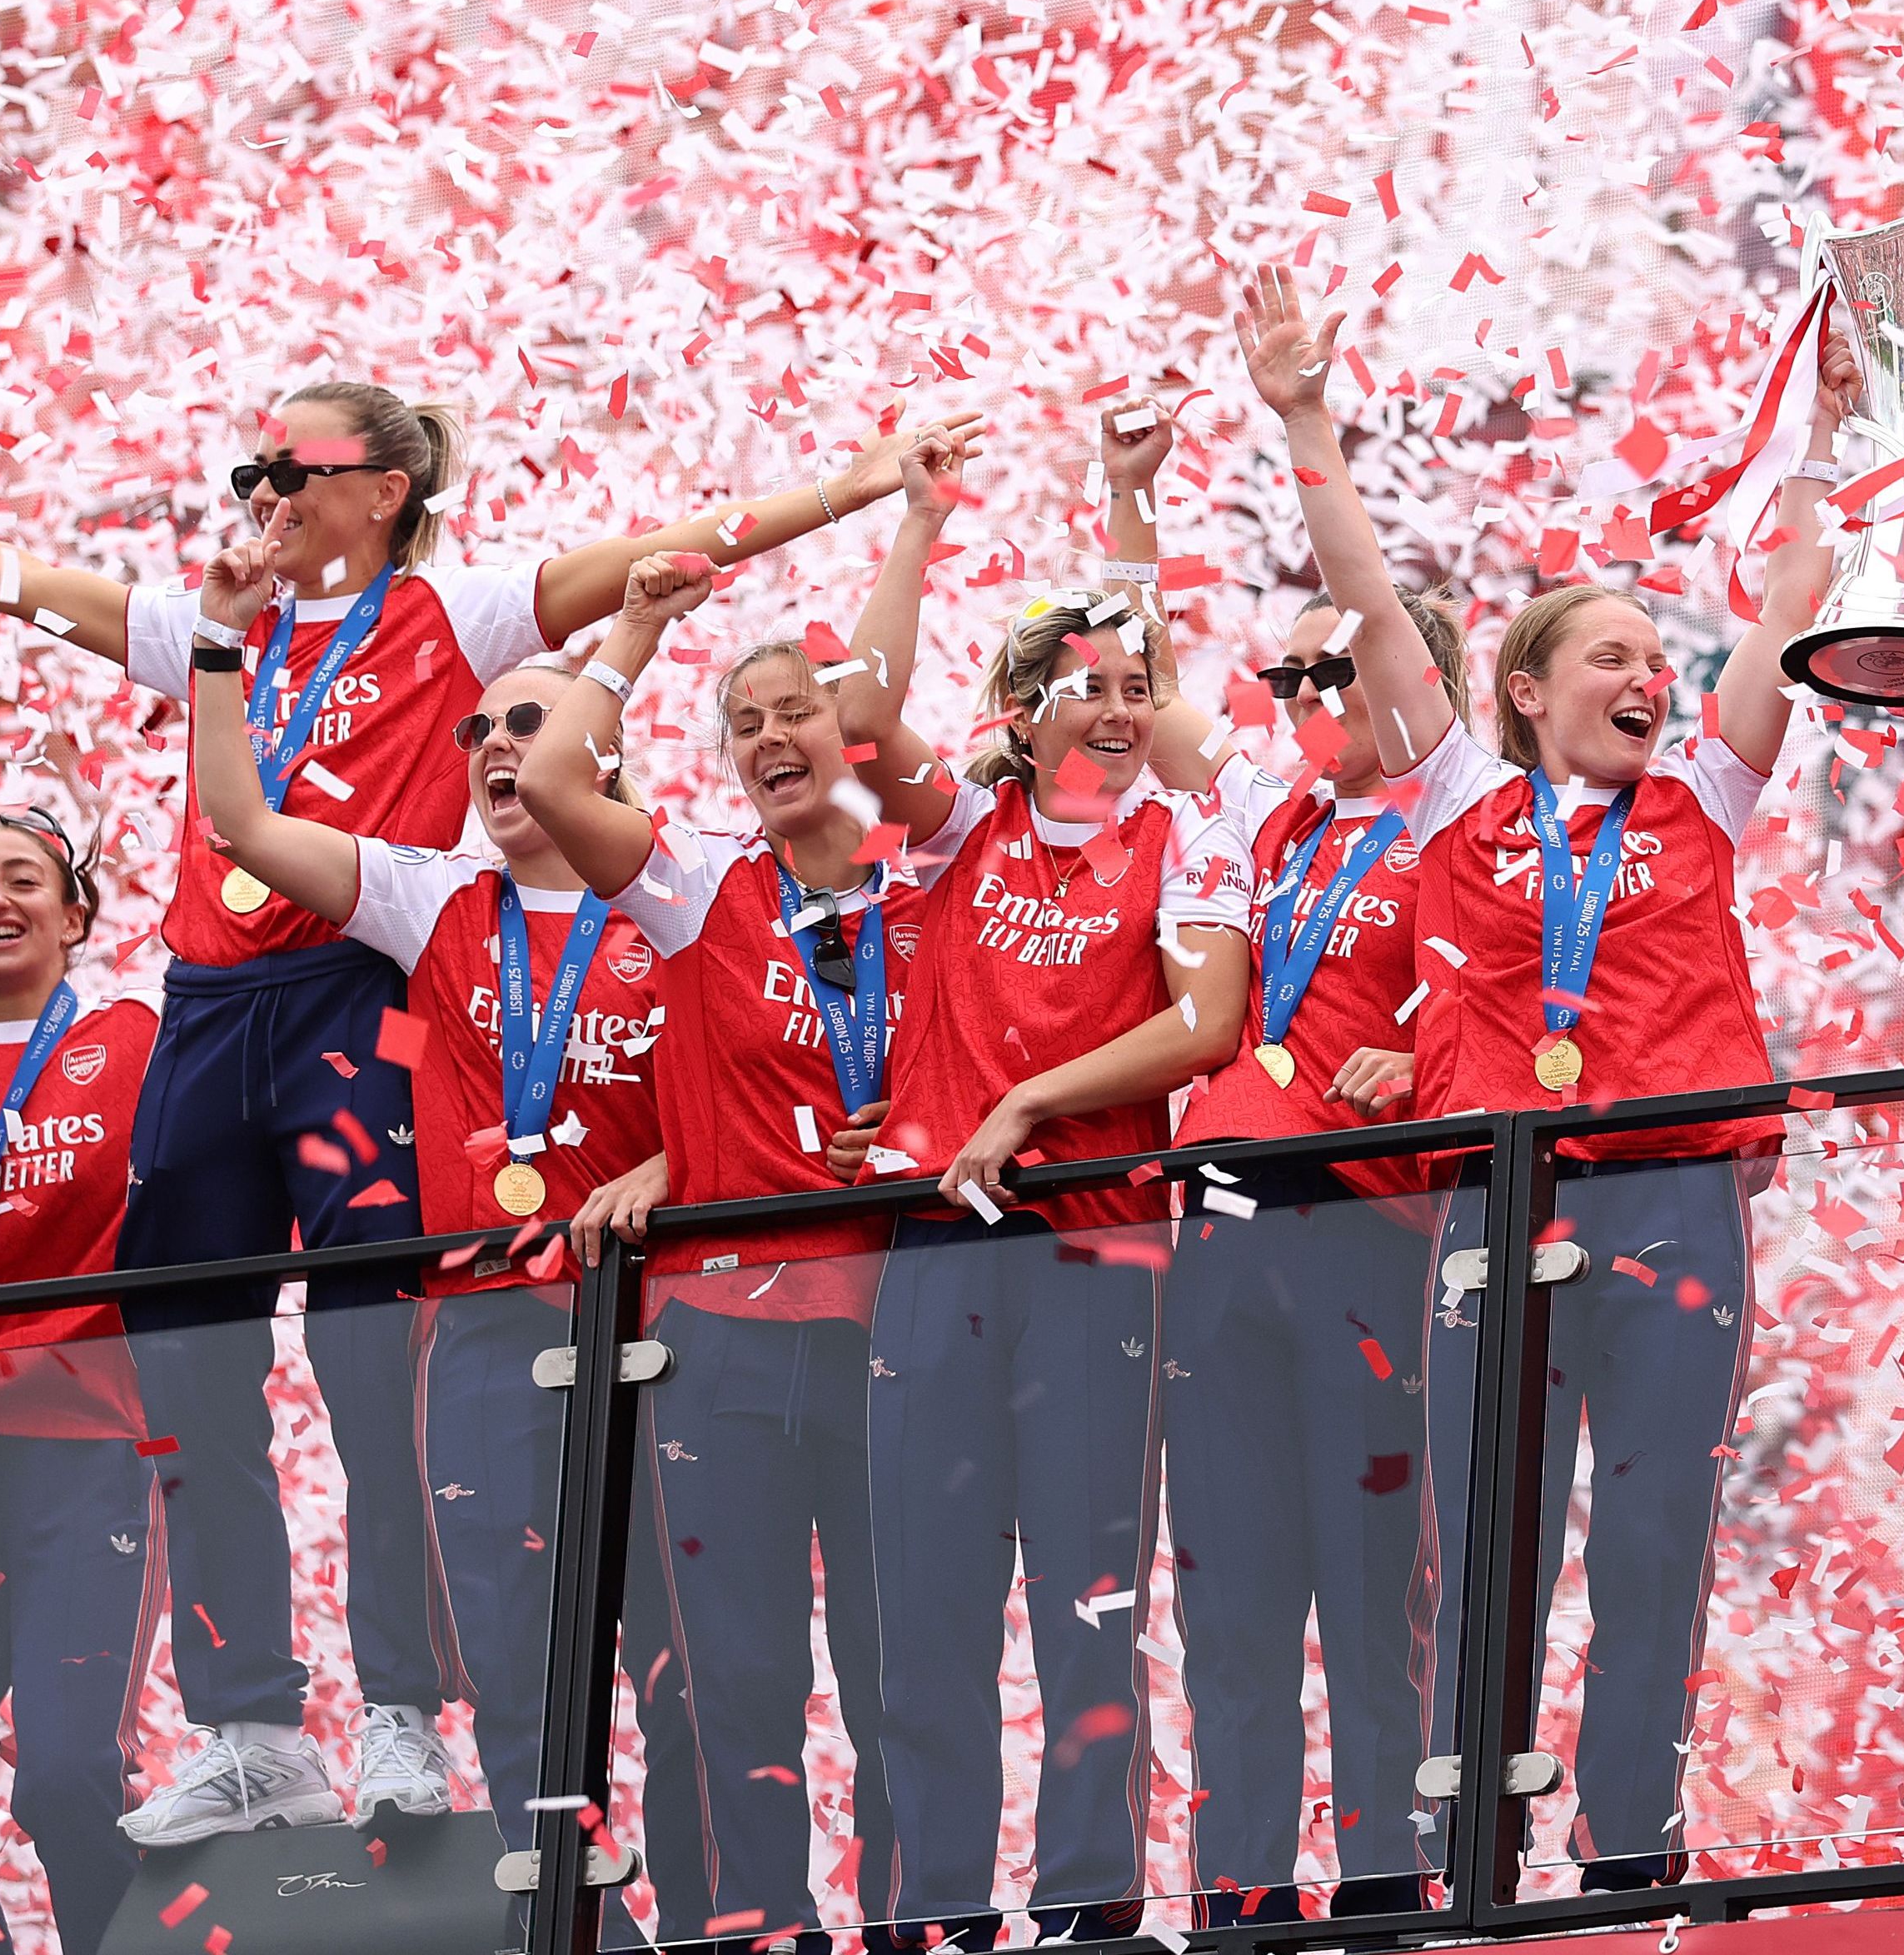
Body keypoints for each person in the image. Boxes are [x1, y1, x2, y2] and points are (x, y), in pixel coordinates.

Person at [0, 378, 964, 1846]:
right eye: (248, 465)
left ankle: (391, 1705)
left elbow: (671, 550)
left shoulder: (467, 617)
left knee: (372, 1355)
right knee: (185, 1350)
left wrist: (873, 482)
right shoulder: (212, 622)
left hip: (348, 991)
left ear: (385, 489)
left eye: (291, 468)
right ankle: (249, 1718)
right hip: (207, 1005)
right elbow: (14, 585)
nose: (261, 491)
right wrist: (215, 622)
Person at [1276, 272, 1840, 1893]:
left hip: (1672, 1197)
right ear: (1525, 691)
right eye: (1611, 653)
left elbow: (1796, 587)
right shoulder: (1457, 798)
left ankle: (1632, 1849)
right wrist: (1309, 423)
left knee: (1658, 1533)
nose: (1649, 674)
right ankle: (1471, 1853)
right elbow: (1380, 612)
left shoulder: (1706, 800)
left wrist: (1827, 440)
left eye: (1661, 655)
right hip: (1500, 1196)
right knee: (1485, 1547)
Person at [181, 541, 685, 1903]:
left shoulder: (677, 892)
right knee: (515, 1640)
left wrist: (672, 1168)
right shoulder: (431, 899)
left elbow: (754, 1075)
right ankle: (556, 1900)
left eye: (529, 721)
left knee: (687, 1648)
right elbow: (243, 822)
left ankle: (708, 1912)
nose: (495, 745)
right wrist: (219, 650)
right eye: (478, 727)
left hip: (659, 1324)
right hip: (486, 1336)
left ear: (598, 746)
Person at [513, 480, 971, 1951]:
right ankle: (755, 1930)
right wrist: (634, 632)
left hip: (903, 1331)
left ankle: (914, 1926)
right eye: (748, 723)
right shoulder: (703, 889)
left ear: (851, 742)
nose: (772, 740)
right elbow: (568, 787)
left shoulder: (942, 895)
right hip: (722, 1338)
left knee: (906, 1663)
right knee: (736, 1669)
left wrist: (911, 528)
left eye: (798, 714)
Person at [836, 422, 1254, 1947]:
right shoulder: (954, 838)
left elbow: (1205, 1026)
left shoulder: (1186, 845)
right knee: (923, 1609)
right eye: (1093, 682)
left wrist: (1025, 1098)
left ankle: (1089, 1911)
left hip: (1099, 1255)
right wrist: (916, 526)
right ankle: (932, 1911)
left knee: (1092, 1603)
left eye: (1143, 687)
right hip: (940, 1258)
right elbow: (862, 724)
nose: (1126, 709)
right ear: (1020, 714)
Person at [1138, 269, 1485, 1927]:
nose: (1302, 703)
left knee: (1368, 1579)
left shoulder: (1437, 816)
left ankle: (1387, 1888)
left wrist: (1300, 424)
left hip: (1361, 1227)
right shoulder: (1256, 829)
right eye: (1285, 683)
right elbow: (1139, 698)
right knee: (1228, 1591)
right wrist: (1128, 509)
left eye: (1332, 678)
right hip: (1216, 1236)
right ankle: (1239, 1895)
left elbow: (1371, 607)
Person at [0, 810, 157, 1945]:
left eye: (22, 878)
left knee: (68, 1774)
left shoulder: (136, 1038)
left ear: (75, 915)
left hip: (81, 1452)